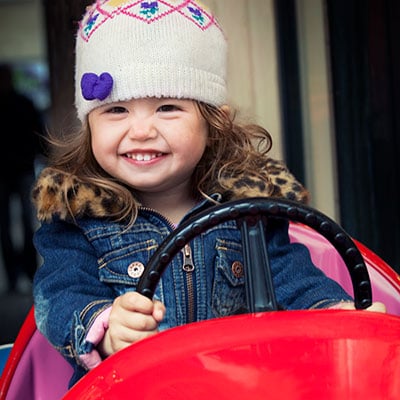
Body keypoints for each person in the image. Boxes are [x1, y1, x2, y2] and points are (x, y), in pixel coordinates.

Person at [31, 0, 386, 388]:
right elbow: (58, 296)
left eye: (167, 107)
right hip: (131, 389)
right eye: (116, 111)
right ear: (90, 124)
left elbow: (292, 277)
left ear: (211, 122)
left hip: (237, 385)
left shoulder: (246, 210)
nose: (141, 130)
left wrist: (336, 312)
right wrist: (106, 325)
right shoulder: (76, 220)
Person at [0, 63, 44, 293]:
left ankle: (25, 274)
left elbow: (38, 135)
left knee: (25, 225)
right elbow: (39, 135)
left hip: (23, 170)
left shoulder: (24, 104)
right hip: (12, 172)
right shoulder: (24, 103)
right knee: (7, 228)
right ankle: (17, 276)